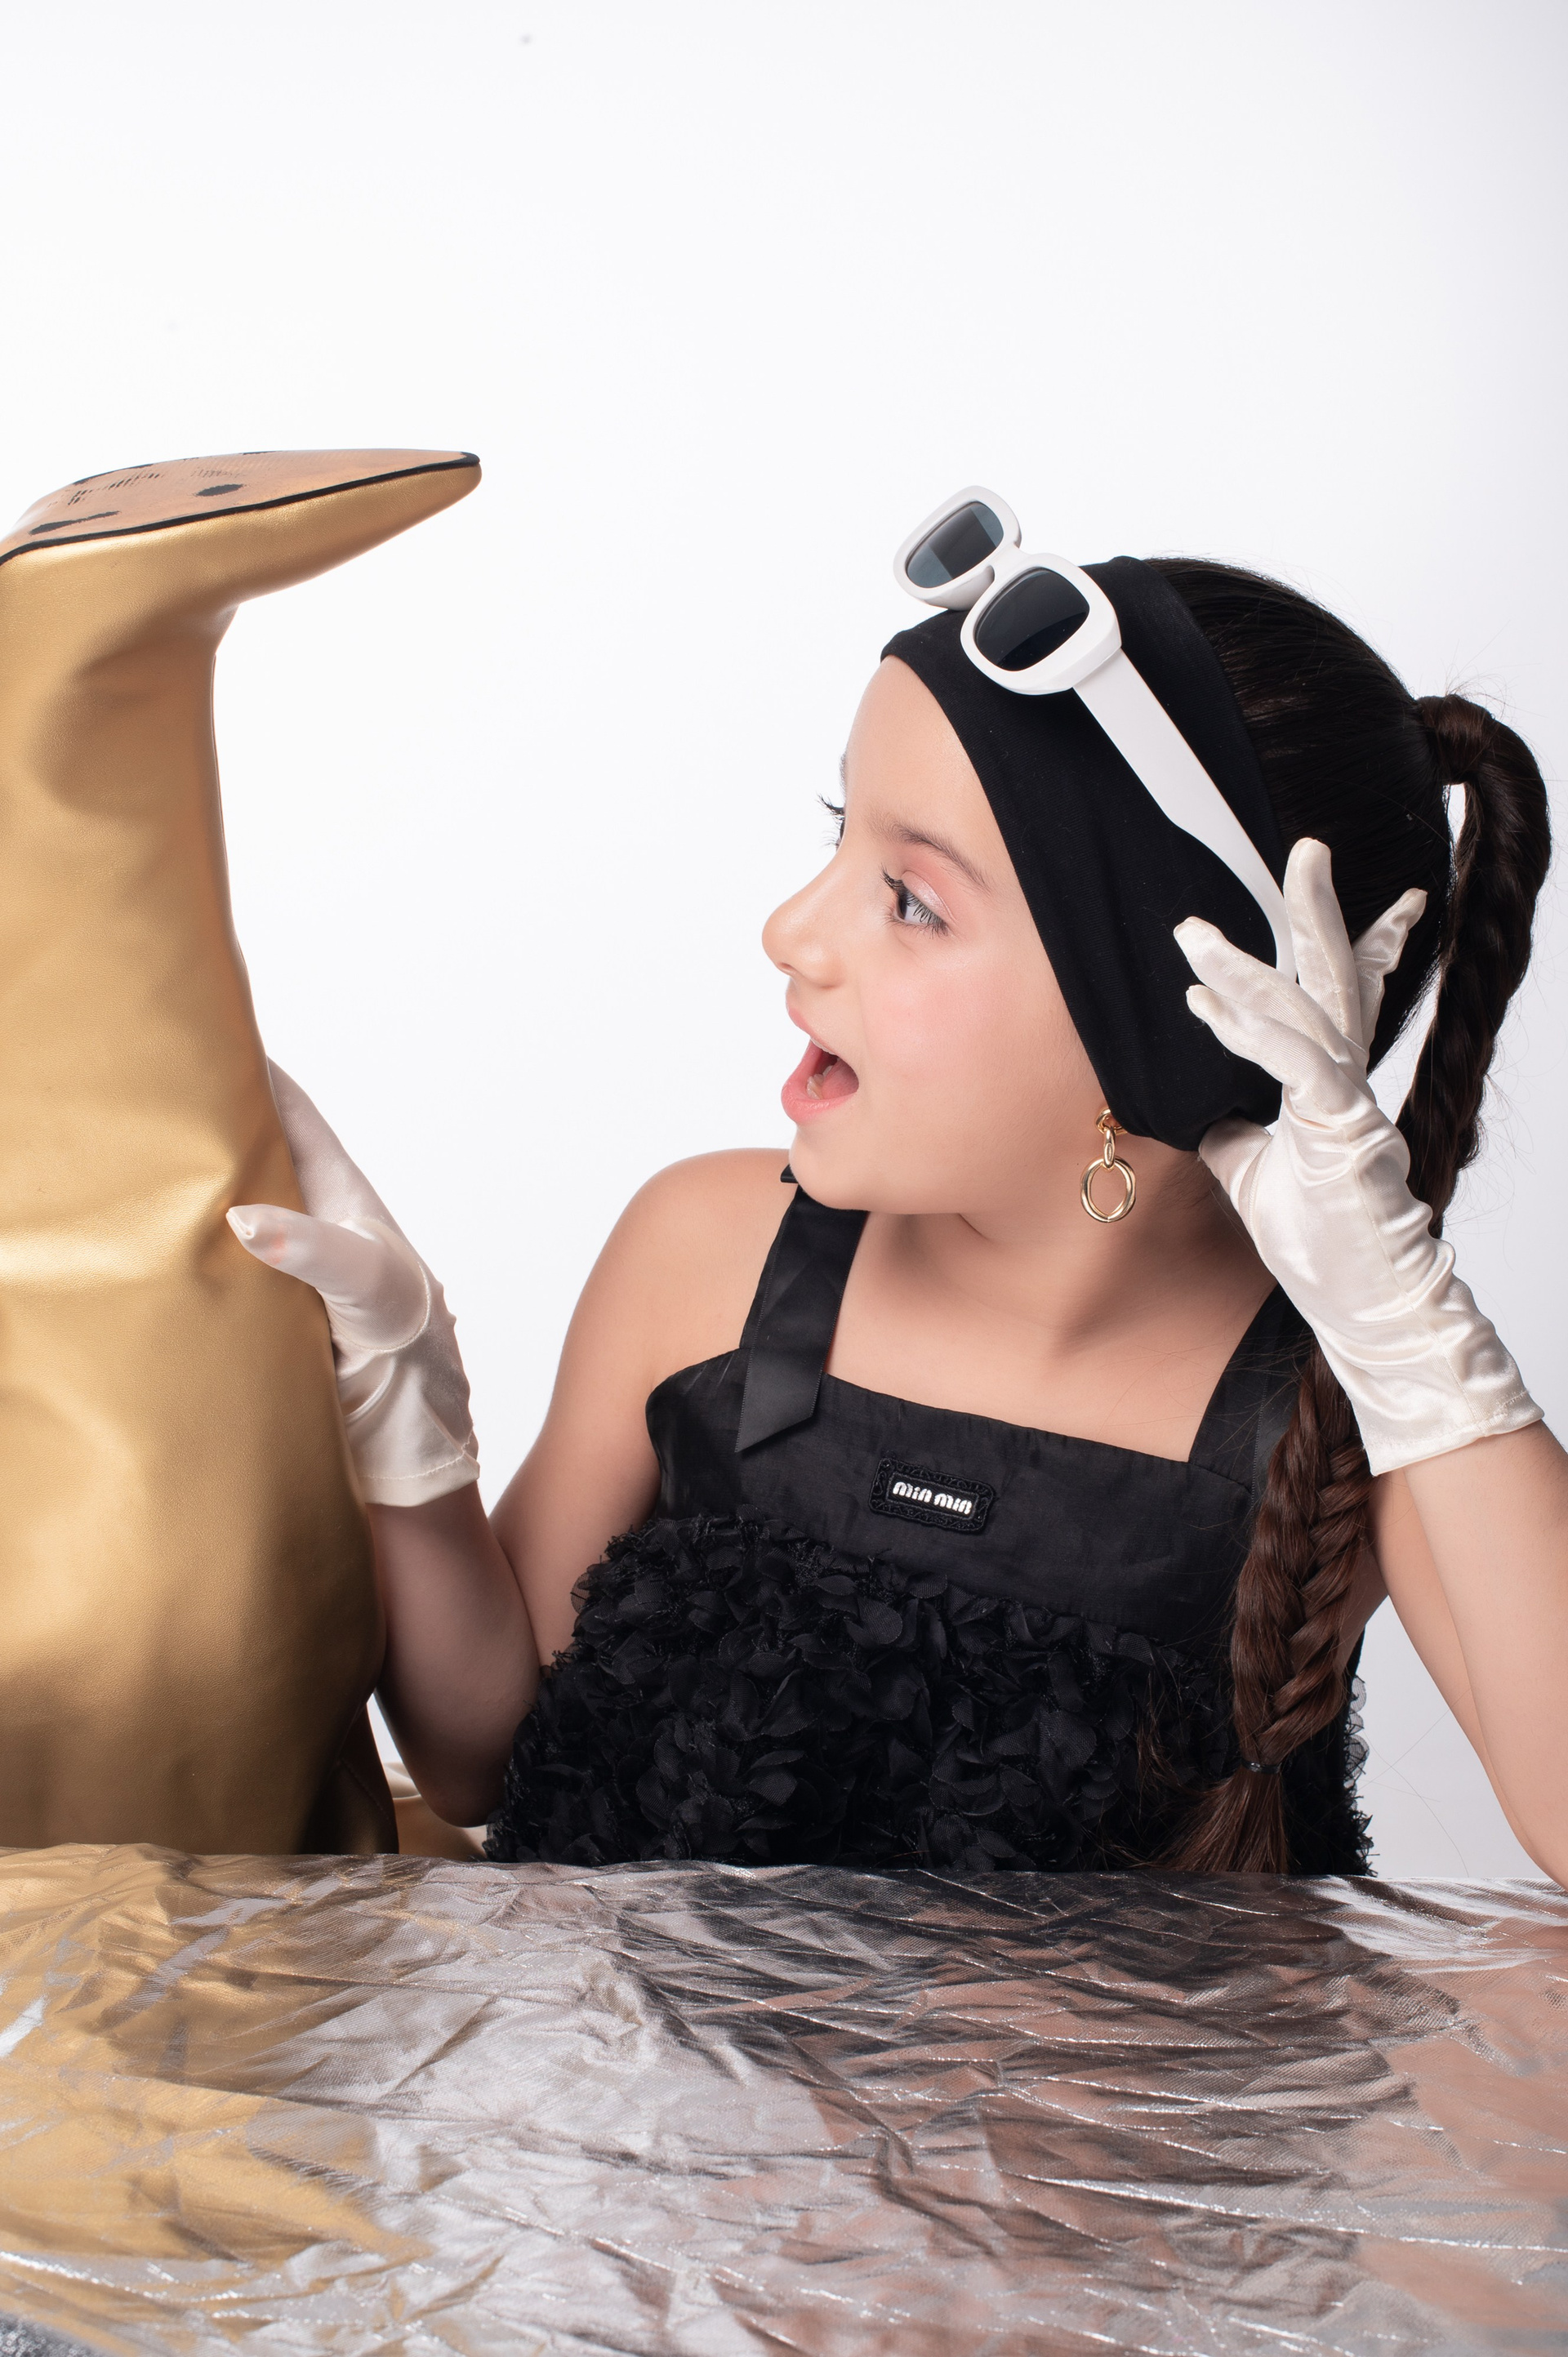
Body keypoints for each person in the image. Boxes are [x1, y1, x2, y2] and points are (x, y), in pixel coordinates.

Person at [229, 497, 1566, 1880]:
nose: (790, 931)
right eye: (838, 837)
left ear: (1170, 1020)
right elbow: (478, 1757)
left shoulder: (1349, 1408)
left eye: (913, 900)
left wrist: (1408, 1331)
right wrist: (410, 1431)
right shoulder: (702, 1254)